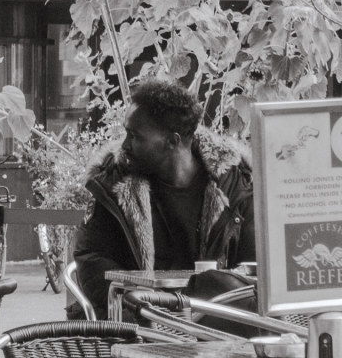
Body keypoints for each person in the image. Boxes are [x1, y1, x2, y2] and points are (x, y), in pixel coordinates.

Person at [72, 78, 256, 316]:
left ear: (172, 141)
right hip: (136, 317)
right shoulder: (114, 183)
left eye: (134, 136)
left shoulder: (234, 185)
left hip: (213, 319)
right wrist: (142, 307)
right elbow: (91, 258)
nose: (124, 145)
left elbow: (253, 268)